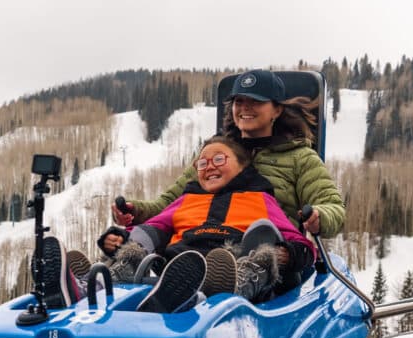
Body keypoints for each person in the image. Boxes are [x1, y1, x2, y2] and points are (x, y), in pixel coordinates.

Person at [112, 70, 345, 290]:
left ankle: (230, 281)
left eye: (256, 101)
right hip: (200, 248)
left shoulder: (299, 158)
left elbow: (332, 205)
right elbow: (172, 203)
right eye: (239, 101)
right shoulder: (215, 155)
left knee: (258, 244)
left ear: (276, 110)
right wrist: (137, 211)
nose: (245, 108)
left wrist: (318, 217)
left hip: (265, 262)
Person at [43, 136, 316, 313]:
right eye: (202, 163)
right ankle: (88, 287)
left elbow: (299, 242)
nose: (208, 167)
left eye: (219, 159)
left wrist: (288, 254)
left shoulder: (261, 200)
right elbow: (153, 225)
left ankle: (213, 292)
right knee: (140, 243)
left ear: (243, 166)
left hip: (233, 267)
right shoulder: (186, 200)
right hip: (177, 267)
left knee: (263, 243)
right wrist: (119, 239)